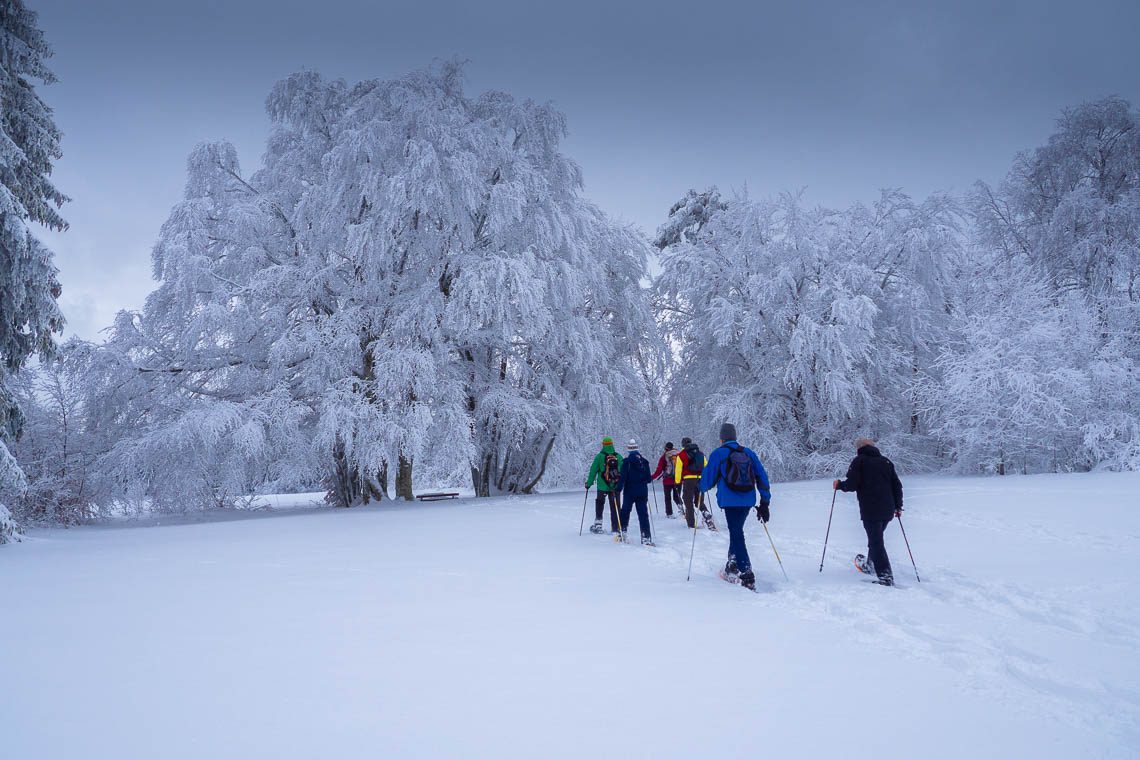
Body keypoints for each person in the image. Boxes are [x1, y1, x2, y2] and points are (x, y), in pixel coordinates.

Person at [700, 423, 771, 591]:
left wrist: (700, 486)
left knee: (736, 533)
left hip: (730, 501)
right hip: (747, 500)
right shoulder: (748, 453)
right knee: (736, 530)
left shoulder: (719, 453)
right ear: (735, 436)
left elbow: (707, 480)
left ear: (721, 438)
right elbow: (762, 476)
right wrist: (765, 502)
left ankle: (747, 574)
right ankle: (732, 565)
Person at [833, 437, 904, 587]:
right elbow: (897, 485)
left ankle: (885, 577)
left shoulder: (860, 461)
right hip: (888, 509)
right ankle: (870, 565)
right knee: (876, 539)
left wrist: (839, 485)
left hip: (871, 510)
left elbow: (852, 484)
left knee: (876, 542)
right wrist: (898, 506)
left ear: (859, 448)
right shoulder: (886, 461)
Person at [674, 437, 716, 530]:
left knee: (687, 501)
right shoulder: (700, 454)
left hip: (688, 480)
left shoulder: (681, 455)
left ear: (683, 445)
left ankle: (691, 524)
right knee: (699, 501)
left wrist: (677, 482)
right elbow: (706, 467)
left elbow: (678, 470)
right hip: (700, 480)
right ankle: (706, 513)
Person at [619, 440, 654, 545]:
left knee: (625, 511)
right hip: (642, 492)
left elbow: (623, 478)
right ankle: (646, 537)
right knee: (643, 515)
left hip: (629, 492)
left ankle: (623, 532)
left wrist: (618, 489)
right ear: (637, 449)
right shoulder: (644, 462)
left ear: (629, 450)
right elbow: (648, 479)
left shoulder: (626, 462)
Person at [585, 436, 623, 535]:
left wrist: (588, 484)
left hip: (602, 486)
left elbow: (593, 471)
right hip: (615, 486)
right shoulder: (618, 456)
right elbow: (623, 471)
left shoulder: (599, 456)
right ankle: (616, 528)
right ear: (612, 444)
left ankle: (598, 525)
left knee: (600, 503)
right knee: (615, 506)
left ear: (603, 445)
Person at [651, 442, 683, 518]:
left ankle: (669, 513)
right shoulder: (679, 455)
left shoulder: (664, 457)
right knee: (677, 496)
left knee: (667, 497)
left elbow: (659, 470)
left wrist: (651, 477)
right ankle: (682, 509)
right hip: (678, 480)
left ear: (666, 448)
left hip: (667, 480)